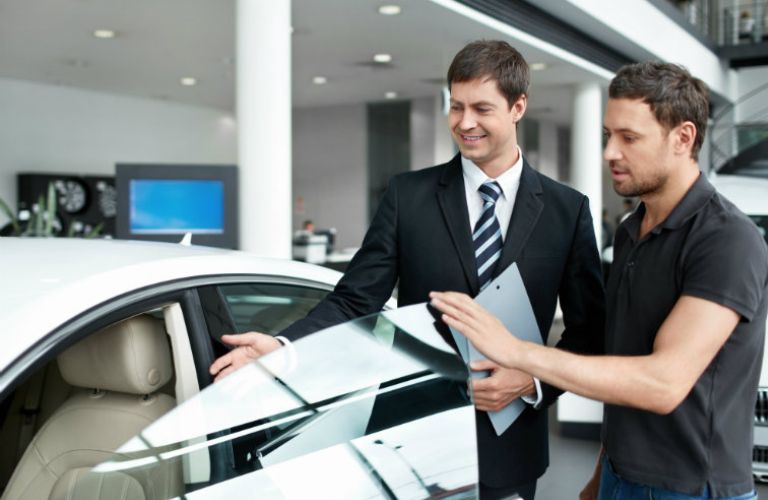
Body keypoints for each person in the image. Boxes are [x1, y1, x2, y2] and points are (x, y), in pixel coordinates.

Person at [209, 40, 605, 500]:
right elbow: (355, 299)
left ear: (518, 107)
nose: (465, 122)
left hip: (512, 440)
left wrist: (532, 381)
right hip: (411, 438)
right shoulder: (408, 196)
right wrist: (281, 346)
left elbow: (589, 331)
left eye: (481, 108)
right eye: (455, 106)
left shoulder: (566, 210)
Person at [431, 62, 768, 500]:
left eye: (629, 138)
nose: (610, 152)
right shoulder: (631, 232)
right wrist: (599, 476)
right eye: (609, 135)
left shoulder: (727, 239)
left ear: (683, 138)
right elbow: (623, 366)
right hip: (618, 477)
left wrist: (518, 353)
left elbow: (662, 384)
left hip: (691, 489)